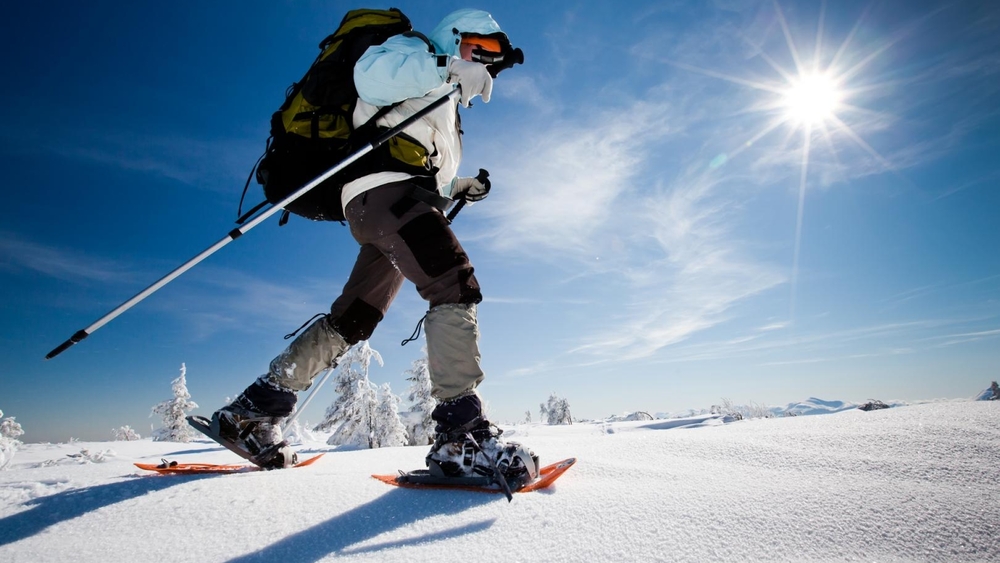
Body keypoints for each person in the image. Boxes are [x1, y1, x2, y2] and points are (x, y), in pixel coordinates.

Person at [210, 9, 536, 482]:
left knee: (355, 316)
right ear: (454, 37)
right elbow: (372, 77)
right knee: (453, 283)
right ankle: (460, 436)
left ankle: (256, 409)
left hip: (388, 204)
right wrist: (446, 67)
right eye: (479, 48)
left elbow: (425, 168)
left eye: (492, 59)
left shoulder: (443, 103)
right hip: (387, 196)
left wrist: (459, 186)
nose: (484, 61)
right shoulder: (415, 51)